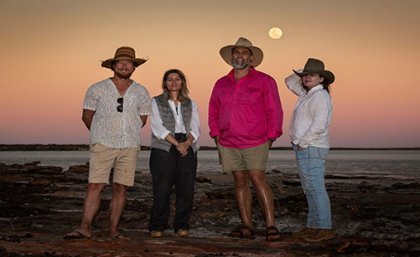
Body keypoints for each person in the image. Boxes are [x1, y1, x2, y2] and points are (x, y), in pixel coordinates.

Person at [64, 46, 151, 240]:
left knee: (121, 187)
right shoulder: (97, 88)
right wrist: (100, 134)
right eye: (120, 62)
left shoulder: (141, 91)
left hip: (129, 145)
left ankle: (114, 230)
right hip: (102, 144)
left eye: (128, 62)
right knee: (95, 186)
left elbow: (143, 119)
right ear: (113, 65)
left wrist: (126, 130)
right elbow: (87, 116)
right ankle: (84, 228)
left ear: (134, 67)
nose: (124, 65)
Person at [208, 37, 283, 241]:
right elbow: (213, 110)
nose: (239, 56)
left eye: (244, 53)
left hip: (256, 141)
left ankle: (270, 226)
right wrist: (215, 134)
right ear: (231, 56)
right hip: (228, 142)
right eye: (236, 52)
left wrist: (271, 137)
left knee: (258, 179)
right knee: (239, 182)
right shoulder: (221, 83)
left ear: (251, 58)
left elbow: (274, 110)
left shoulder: (265, 80)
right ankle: (247, 226)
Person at [285, 58, 336, 242]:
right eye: (305, 75)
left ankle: (324, 227)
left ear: (321, 79)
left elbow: (320, 125)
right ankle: (312, 225)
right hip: (305, 148)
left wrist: (302, 142)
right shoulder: (307, 94)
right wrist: (302, 71)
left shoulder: (320, 96)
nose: (307, 77)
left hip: (311, 147)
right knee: (309, 189)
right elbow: (289, 81)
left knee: (316, 188)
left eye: (312, 74)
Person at [148, 69, 200, 238]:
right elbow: (157, 127)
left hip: (187, 144)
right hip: (164, 146)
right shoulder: (156, 101)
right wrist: (178, 144)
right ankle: (157, 226)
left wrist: (187, 143)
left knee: (186, 188)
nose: (173, 82)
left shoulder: (191, 103)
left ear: (182, 82)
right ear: (165, 83)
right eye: (169, 79)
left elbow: (195, 127)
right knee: (162, 188)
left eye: (177, 79)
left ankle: (182, 226)